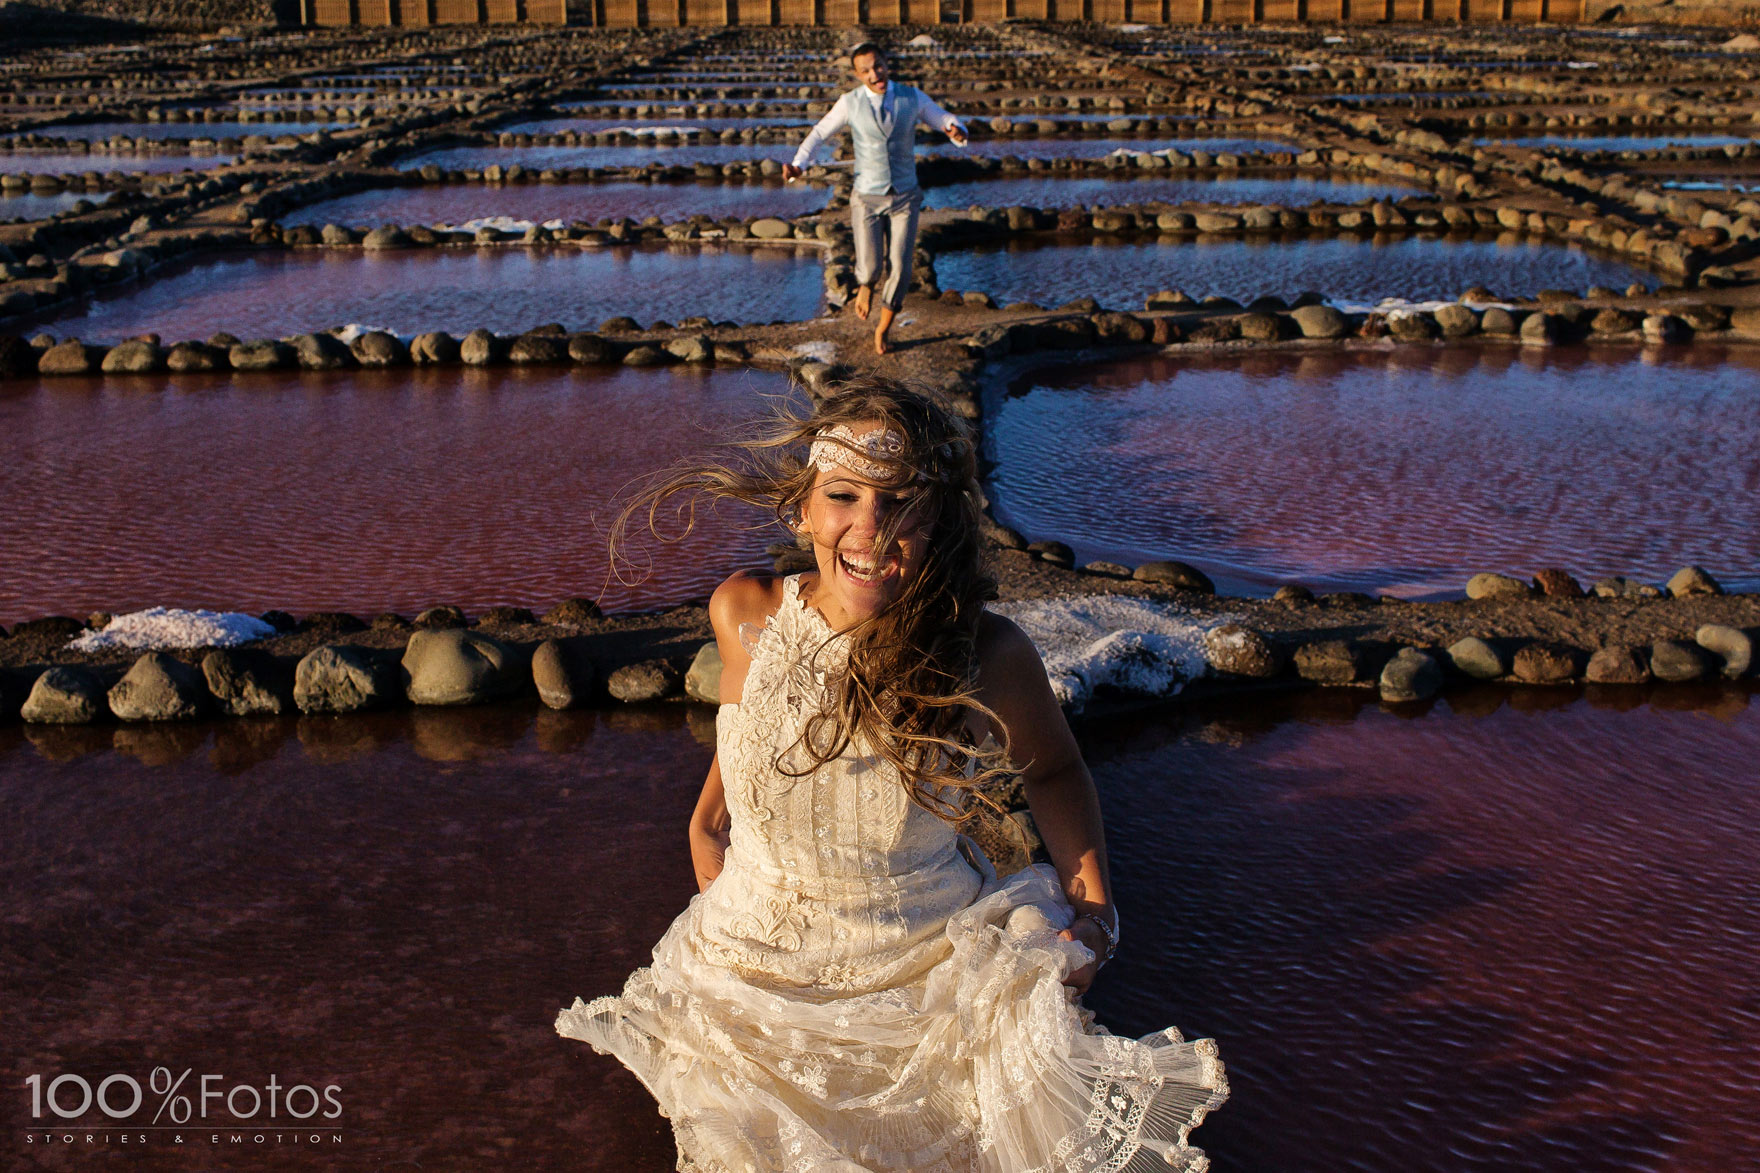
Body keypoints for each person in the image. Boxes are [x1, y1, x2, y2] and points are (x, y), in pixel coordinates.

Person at [556, 376, 1228, 1172]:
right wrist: (704, 822)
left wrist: (1097, 912)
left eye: (901, 500)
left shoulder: (986, 653)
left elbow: (1054, 769)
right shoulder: (744, 612)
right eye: (843, 494)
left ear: (940, 519)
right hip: (746, 974)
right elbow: (747, 737)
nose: (870, 528)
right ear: (804, 508)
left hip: (921, 981)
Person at [781, 42, 967, 356]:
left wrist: (954, 128)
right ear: (857, 74)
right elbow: (820, 132)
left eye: (878, 66)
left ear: (886, 64)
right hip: (866, 195)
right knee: (869, 266)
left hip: (905, 195)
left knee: (902, 267)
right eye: (866, 70)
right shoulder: (849, 102)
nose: (874, 74)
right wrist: (800, 164)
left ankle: (883, 328)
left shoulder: (911, 97)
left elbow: (941, 117)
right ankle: (866, 285)